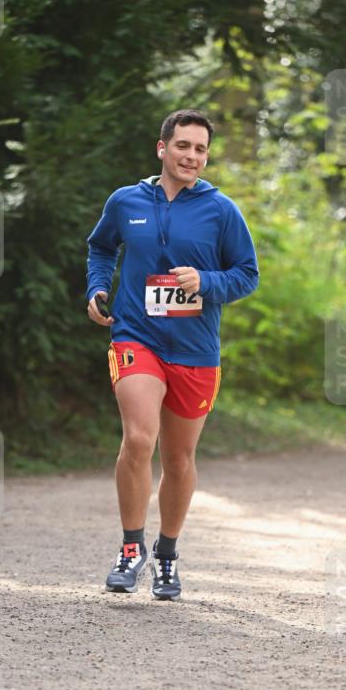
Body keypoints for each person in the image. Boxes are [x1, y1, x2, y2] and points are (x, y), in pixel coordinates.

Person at [86, 109, 259, 599]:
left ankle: (166, 554)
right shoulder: (126, 201)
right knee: (140, 438)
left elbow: (247, 274)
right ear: (162, 148)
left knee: (179, 457)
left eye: (201, 149)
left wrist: (207, 282)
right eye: (183, 146)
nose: (192, 156)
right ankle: (129, 548)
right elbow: (101, 249)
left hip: (195, 348)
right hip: (136, 336)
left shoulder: (221, 210)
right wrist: (97, 289)